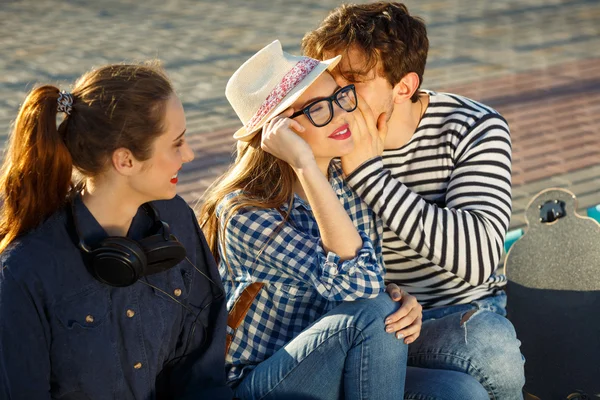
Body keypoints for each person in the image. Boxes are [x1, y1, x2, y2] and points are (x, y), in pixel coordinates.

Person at [199, 40, 488, 400]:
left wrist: (401, 299)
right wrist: (304, 164)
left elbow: (369, 283)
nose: (340, 115)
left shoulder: (347, 184)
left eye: (340, 97)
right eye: (318, 109)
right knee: (375, 310)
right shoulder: (244, 212)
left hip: (339, 356)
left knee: (461, 391)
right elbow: (361, 289)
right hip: (260, 380)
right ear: (277, 134)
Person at [302, 2, 526, 399]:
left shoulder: (471, 126)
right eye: (329, 80)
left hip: (459, 318)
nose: (337, 97)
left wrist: (369, 174)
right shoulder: (323, 132)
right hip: (377, 322)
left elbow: (477, 259)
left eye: (352, 81)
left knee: (491, 343)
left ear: (403, 87)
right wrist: (386, 293)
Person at [0, 63, 232, 399]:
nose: (189, 154)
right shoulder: (26, 271)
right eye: (176, 143)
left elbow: (201, 371)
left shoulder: (176, 218)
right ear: (125, 161)